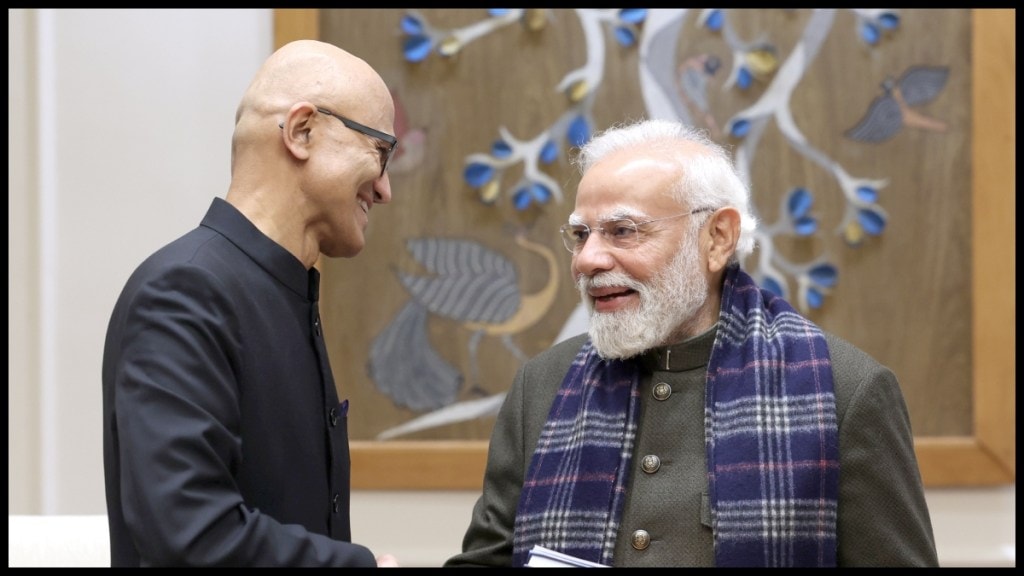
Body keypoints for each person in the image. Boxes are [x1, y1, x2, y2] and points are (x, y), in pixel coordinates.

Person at [444, 118, 939, 567]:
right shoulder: (542, 384)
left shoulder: (848, 390)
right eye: (580, 234)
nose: (588, 259)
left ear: (718, 237)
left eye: (623, 230)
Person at [102, 39, 401, 567]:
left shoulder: (282, 293)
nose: (384, 188)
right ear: (302, 131)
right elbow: (188, 534)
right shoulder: (185, 292)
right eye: (380, 150)